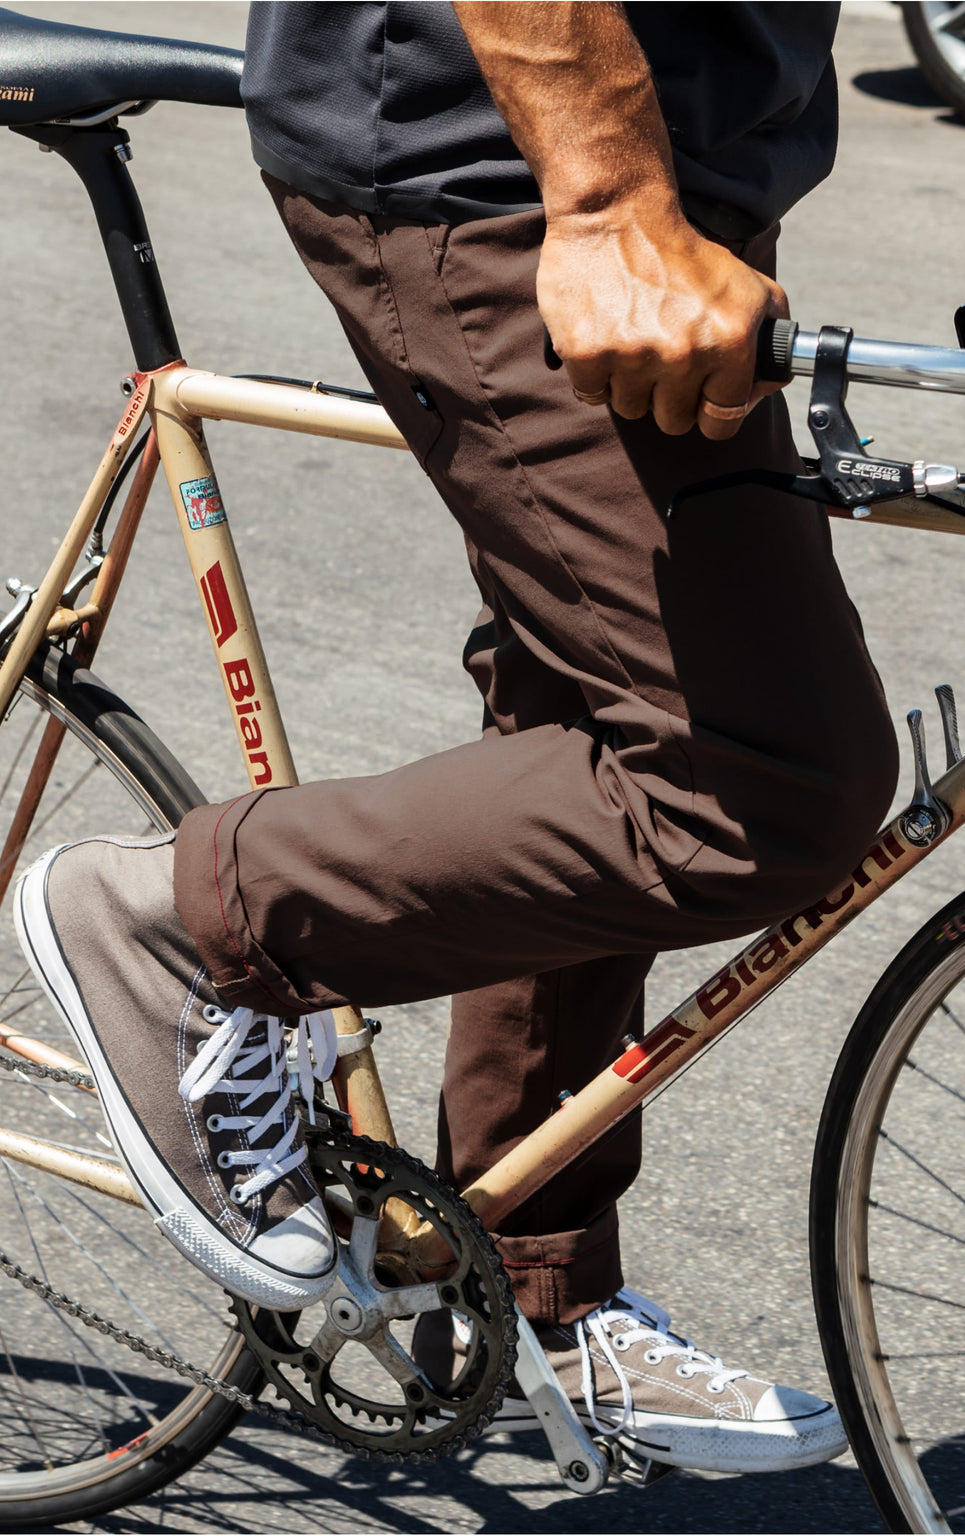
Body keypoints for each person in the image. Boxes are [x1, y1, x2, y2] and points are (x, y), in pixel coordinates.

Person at [15, 1, 899, 1476]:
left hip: (674, 174)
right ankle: (165, 921)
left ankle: (528, 1279)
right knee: (756, 773)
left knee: (604, 697)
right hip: (507, 164)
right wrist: (610, 198)